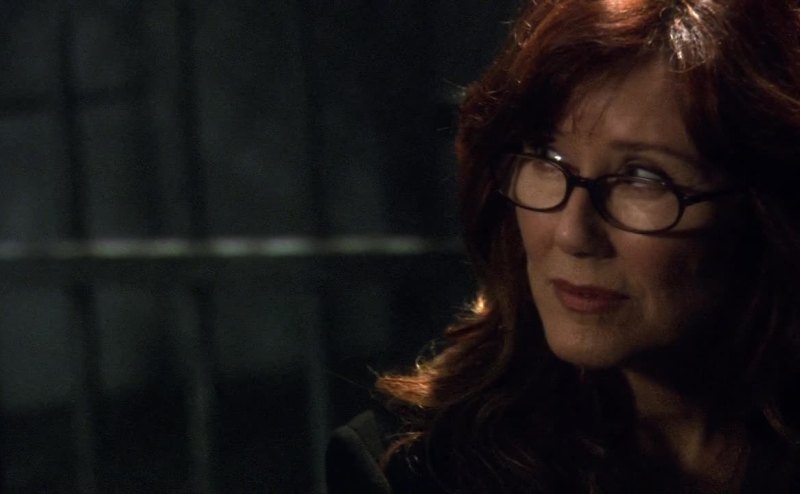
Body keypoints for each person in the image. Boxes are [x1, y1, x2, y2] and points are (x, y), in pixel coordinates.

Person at [326, 0, 800, 492]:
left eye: (643, 178)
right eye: (545, 156)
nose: (573, 234)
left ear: (770, 209)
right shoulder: (410, 469)